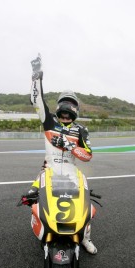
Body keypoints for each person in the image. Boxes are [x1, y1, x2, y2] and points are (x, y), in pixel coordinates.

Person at [22, 54, 97, 254]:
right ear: (58, 107)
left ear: (75, 110)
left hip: (73, 172)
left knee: (85, 204)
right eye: (63, 107)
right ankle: (44, 229)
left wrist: (70, 146)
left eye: (70, 108)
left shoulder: (81, 130)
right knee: (31, 197)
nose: (65, 114)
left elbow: (87, 156)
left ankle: (85, 237)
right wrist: (36, 76)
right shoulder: (49, 122)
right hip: (49, 170)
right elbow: (36, 100)